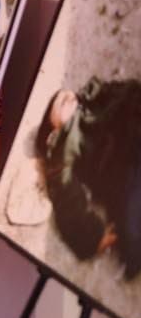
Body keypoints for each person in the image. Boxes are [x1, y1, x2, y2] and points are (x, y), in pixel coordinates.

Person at [37, 76, 141, 280]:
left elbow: (128, 90)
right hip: (128, 167)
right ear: (54, 129)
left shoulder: (94, 95)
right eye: (58, 104)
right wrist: (92, 237)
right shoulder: (63, 145)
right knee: (131, 234)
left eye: (63, 96)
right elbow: (65, 193)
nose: (63, 97)